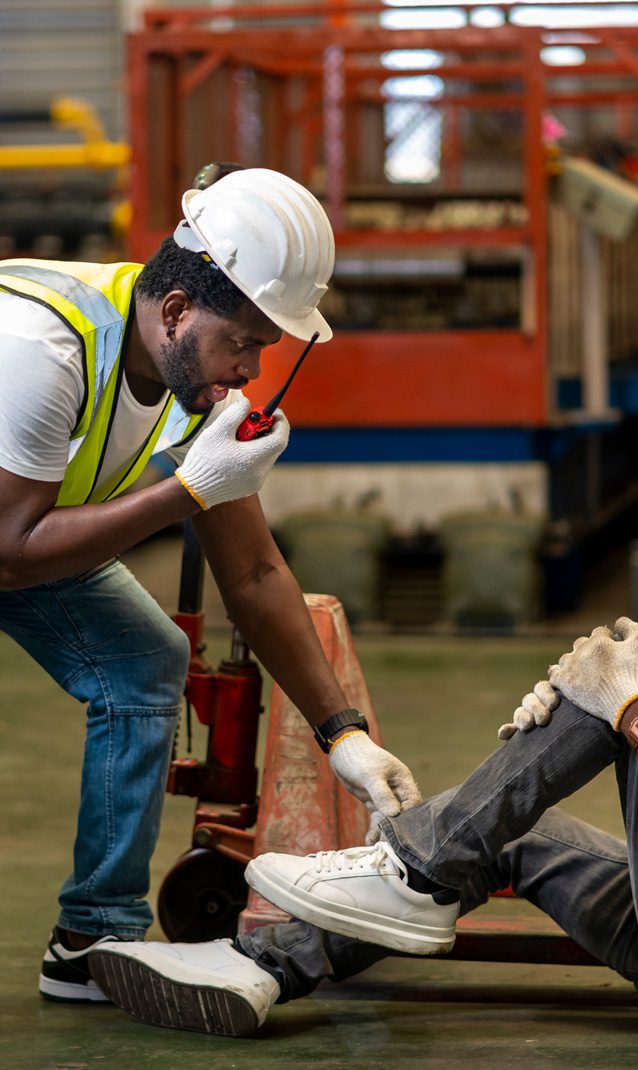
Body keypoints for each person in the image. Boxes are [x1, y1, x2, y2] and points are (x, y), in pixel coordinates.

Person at [87, 523, 638, 1056]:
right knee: (520, 833)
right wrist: (604, 714)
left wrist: (634, 711)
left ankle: (410, 869)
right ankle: (261, 967)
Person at [0, 166, 421, 1004]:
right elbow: (8, 553)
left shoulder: (194, 378)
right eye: (246, 341)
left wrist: (343, 735)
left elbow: (255, 572)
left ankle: (94, 939)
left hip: (16, 527)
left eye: (266, 347)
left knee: (140, 661)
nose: (250, 368)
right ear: (177, 312)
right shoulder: (43, 351)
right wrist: (188, 489)